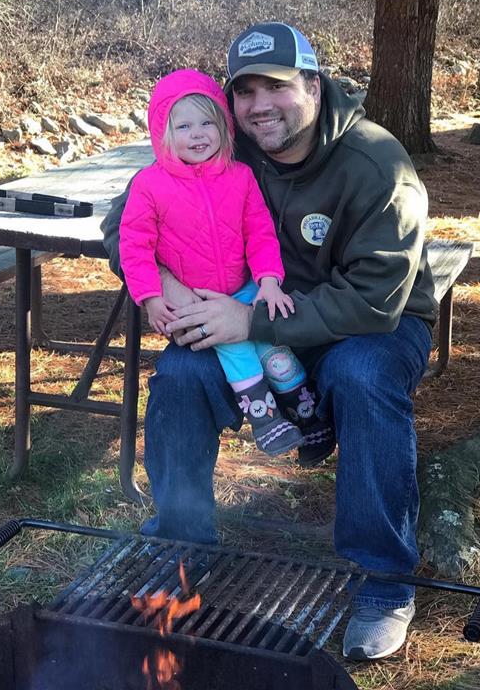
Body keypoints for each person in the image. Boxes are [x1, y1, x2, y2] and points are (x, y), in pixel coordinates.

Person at [102, 22, 437, 660]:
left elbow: (375, 297)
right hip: (247, 316)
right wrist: (164, 285)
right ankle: (181, 548)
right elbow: (123, 221)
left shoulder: (376, 164)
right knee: (180, 377)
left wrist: (249, 322)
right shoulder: (225, 145)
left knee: (362, 377)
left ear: (313, 84)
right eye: (245, 91)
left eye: (277, 87)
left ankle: (383, 580)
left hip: (371, 325)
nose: (260, 106)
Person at [119, 68, 334, 458]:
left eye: (207, 122)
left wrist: (269, 281)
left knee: (273, 346)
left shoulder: (240, 176)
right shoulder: (150, 185)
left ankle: (304, 411)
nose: (197, 134)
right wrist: (151, 295)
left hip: (245, 286)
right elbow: (134, 245)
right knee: (236, 350)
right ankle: (265, 418)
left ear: (224, 126)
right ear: (163, 132)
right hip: (195, 300)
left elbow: (260, 234)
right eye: (183, 125)